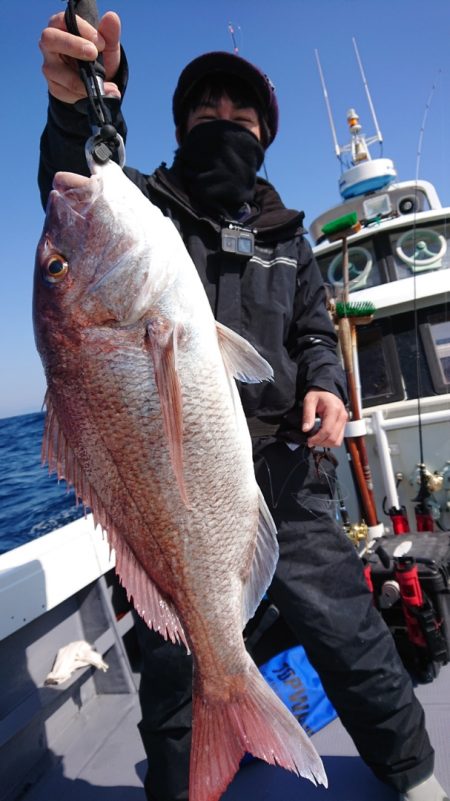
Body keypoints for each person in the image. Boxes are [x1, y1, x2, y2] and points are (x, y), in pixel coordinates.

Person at [38, 11, 448, 801]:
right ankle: (186, 787)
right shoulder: (149, 209)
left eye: (240, 116)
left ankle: (415, 775)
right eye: (204, 114)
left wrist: (325, 380)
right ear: (179, 127)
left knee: (349, 629)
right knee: (171, 661)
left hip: (287, 473)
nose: (222, 124)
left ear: (264, 132)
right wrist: (78, 106)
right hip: (177, 481)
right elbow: (85, 170)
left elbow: (313, 327)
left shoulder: (289, 235)